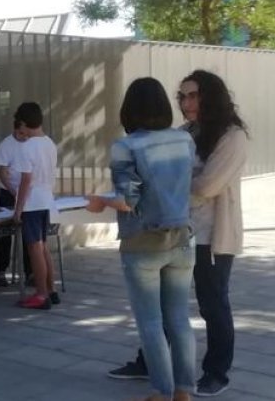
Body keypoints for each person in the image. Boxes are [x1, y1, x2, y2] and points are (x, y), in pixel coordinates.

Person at [108, 70, 247, 397]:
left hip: (212, 234)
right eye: (182, 96)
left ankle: (216, 373)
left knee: (212, 305)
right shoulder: (184, 134)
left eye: (193, 95)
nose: (186, 103)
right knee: (165, 308)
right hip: (179, 231)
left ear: (212, 96)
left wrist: (163, 191)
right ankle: (150, 364)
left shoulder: (232, 136)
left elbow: (208, 185)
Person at [87, 77, 196, 401]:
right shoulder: (184, 140)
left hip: (143, 242)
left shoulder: (127, 145)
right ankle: (184, 390)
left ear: (128, 109)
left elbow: (127, 200)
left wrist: (100, 202)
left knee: (151, 322)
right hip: (182, 238)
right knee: (179, 320)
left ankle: (161, 392)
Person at [12, 102, 59, 310]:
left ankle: (40, 294)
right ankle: (51, 289)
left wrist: (18, 209)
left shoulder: (27, 146)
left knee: (34, 248)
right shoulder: (49, 143)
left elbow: (25, 181)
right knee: (43, 247)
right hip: (47, 199)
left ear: (23, 123)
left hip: (32, 203)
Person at [0, 120, 31, 287]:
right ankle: (1, 271)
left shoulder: (32, 143)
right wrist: (15, 192)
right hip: (9, 192)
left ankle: (30, 272)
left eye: (26, 133)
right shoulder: (6, 145)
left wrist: (23, 194)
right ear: (15, 130)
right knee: (4, 234)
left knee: (28, 234)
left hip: (27, 194)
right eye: (21, 133)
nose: (24, 137)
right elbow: (2, 174)